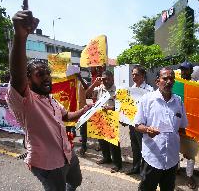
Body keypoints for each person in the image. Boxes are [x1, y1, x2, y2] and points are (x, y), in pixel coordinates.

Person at [6, 10, 91, 191]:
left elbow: (66, 115)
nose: (46, 78)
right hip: (48, 165)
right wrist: (20, 37)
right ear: (28, 80)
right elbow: (17, 76)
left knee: (75, 181)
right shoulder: (25, 101)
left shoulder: (50, 99)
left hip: (67, 154)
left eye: (48, 74)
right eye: (39, 75)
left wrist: (83, 111)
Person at [135, 67, 188, 191]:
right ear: (157, 81)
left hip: (172, 159)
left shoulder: (178, 101)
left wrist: (188, 149)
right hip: (152, 158)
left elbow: (182, 128)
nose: (169, 81)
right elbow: (137, 125)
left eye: (171, 79)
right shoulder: (146, 99)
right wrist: (147, 130)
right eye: (165, 78)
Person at [86, 70, 123, 173]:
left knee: (113, 142)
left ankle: (117, 164)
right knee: (102, 140)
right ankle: (106, 158)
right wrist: (94, 84)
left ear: (112, 78)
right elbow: (87, 94)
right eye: (104, 79)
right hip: (99, 116)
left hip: (111, 116)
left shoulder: (117, 90)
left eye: (108, 79)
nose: (106, 81)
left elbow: (122, 106)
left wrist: (112, 107)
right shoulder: (99, 87)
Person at [126, 65, 153, 175]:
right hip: (132, 123)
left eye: (136, 74)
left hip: (143, 124)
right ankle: (135, 167)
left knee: (144, 147)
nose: (134, 76)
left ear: (143, 76)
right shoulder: (131, 89)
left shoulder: (149, 90)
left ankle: (145, 170)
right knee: (135, 146)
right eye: (132, 74)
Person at [179, 60, 197, 189]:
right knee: (175, 147)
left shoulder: (197, 85)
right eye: (182, 69)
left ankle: (189, 175)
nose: (183, 72)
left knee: (190, 151)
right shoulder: (176, 84)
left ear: (191, 71)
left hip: (192, 123)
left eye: (186, 69)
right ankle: (177, 168)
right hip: (178, 121)